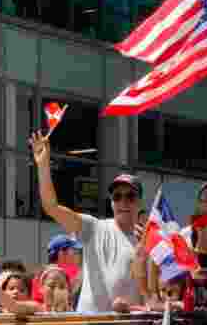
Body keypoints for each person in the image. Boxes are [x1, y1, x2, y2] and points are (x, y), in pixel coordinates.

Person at [31, 128, 144, 314]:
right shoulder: (94, 227)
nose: (123, 201)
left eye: (130, 196)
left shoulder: (148, 240)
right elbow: (51, 207)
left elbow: (157, 294)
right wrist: (43, 166)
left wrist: (146, 252)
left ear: (139, 202)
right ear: (111, 201)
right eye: (117, 196)